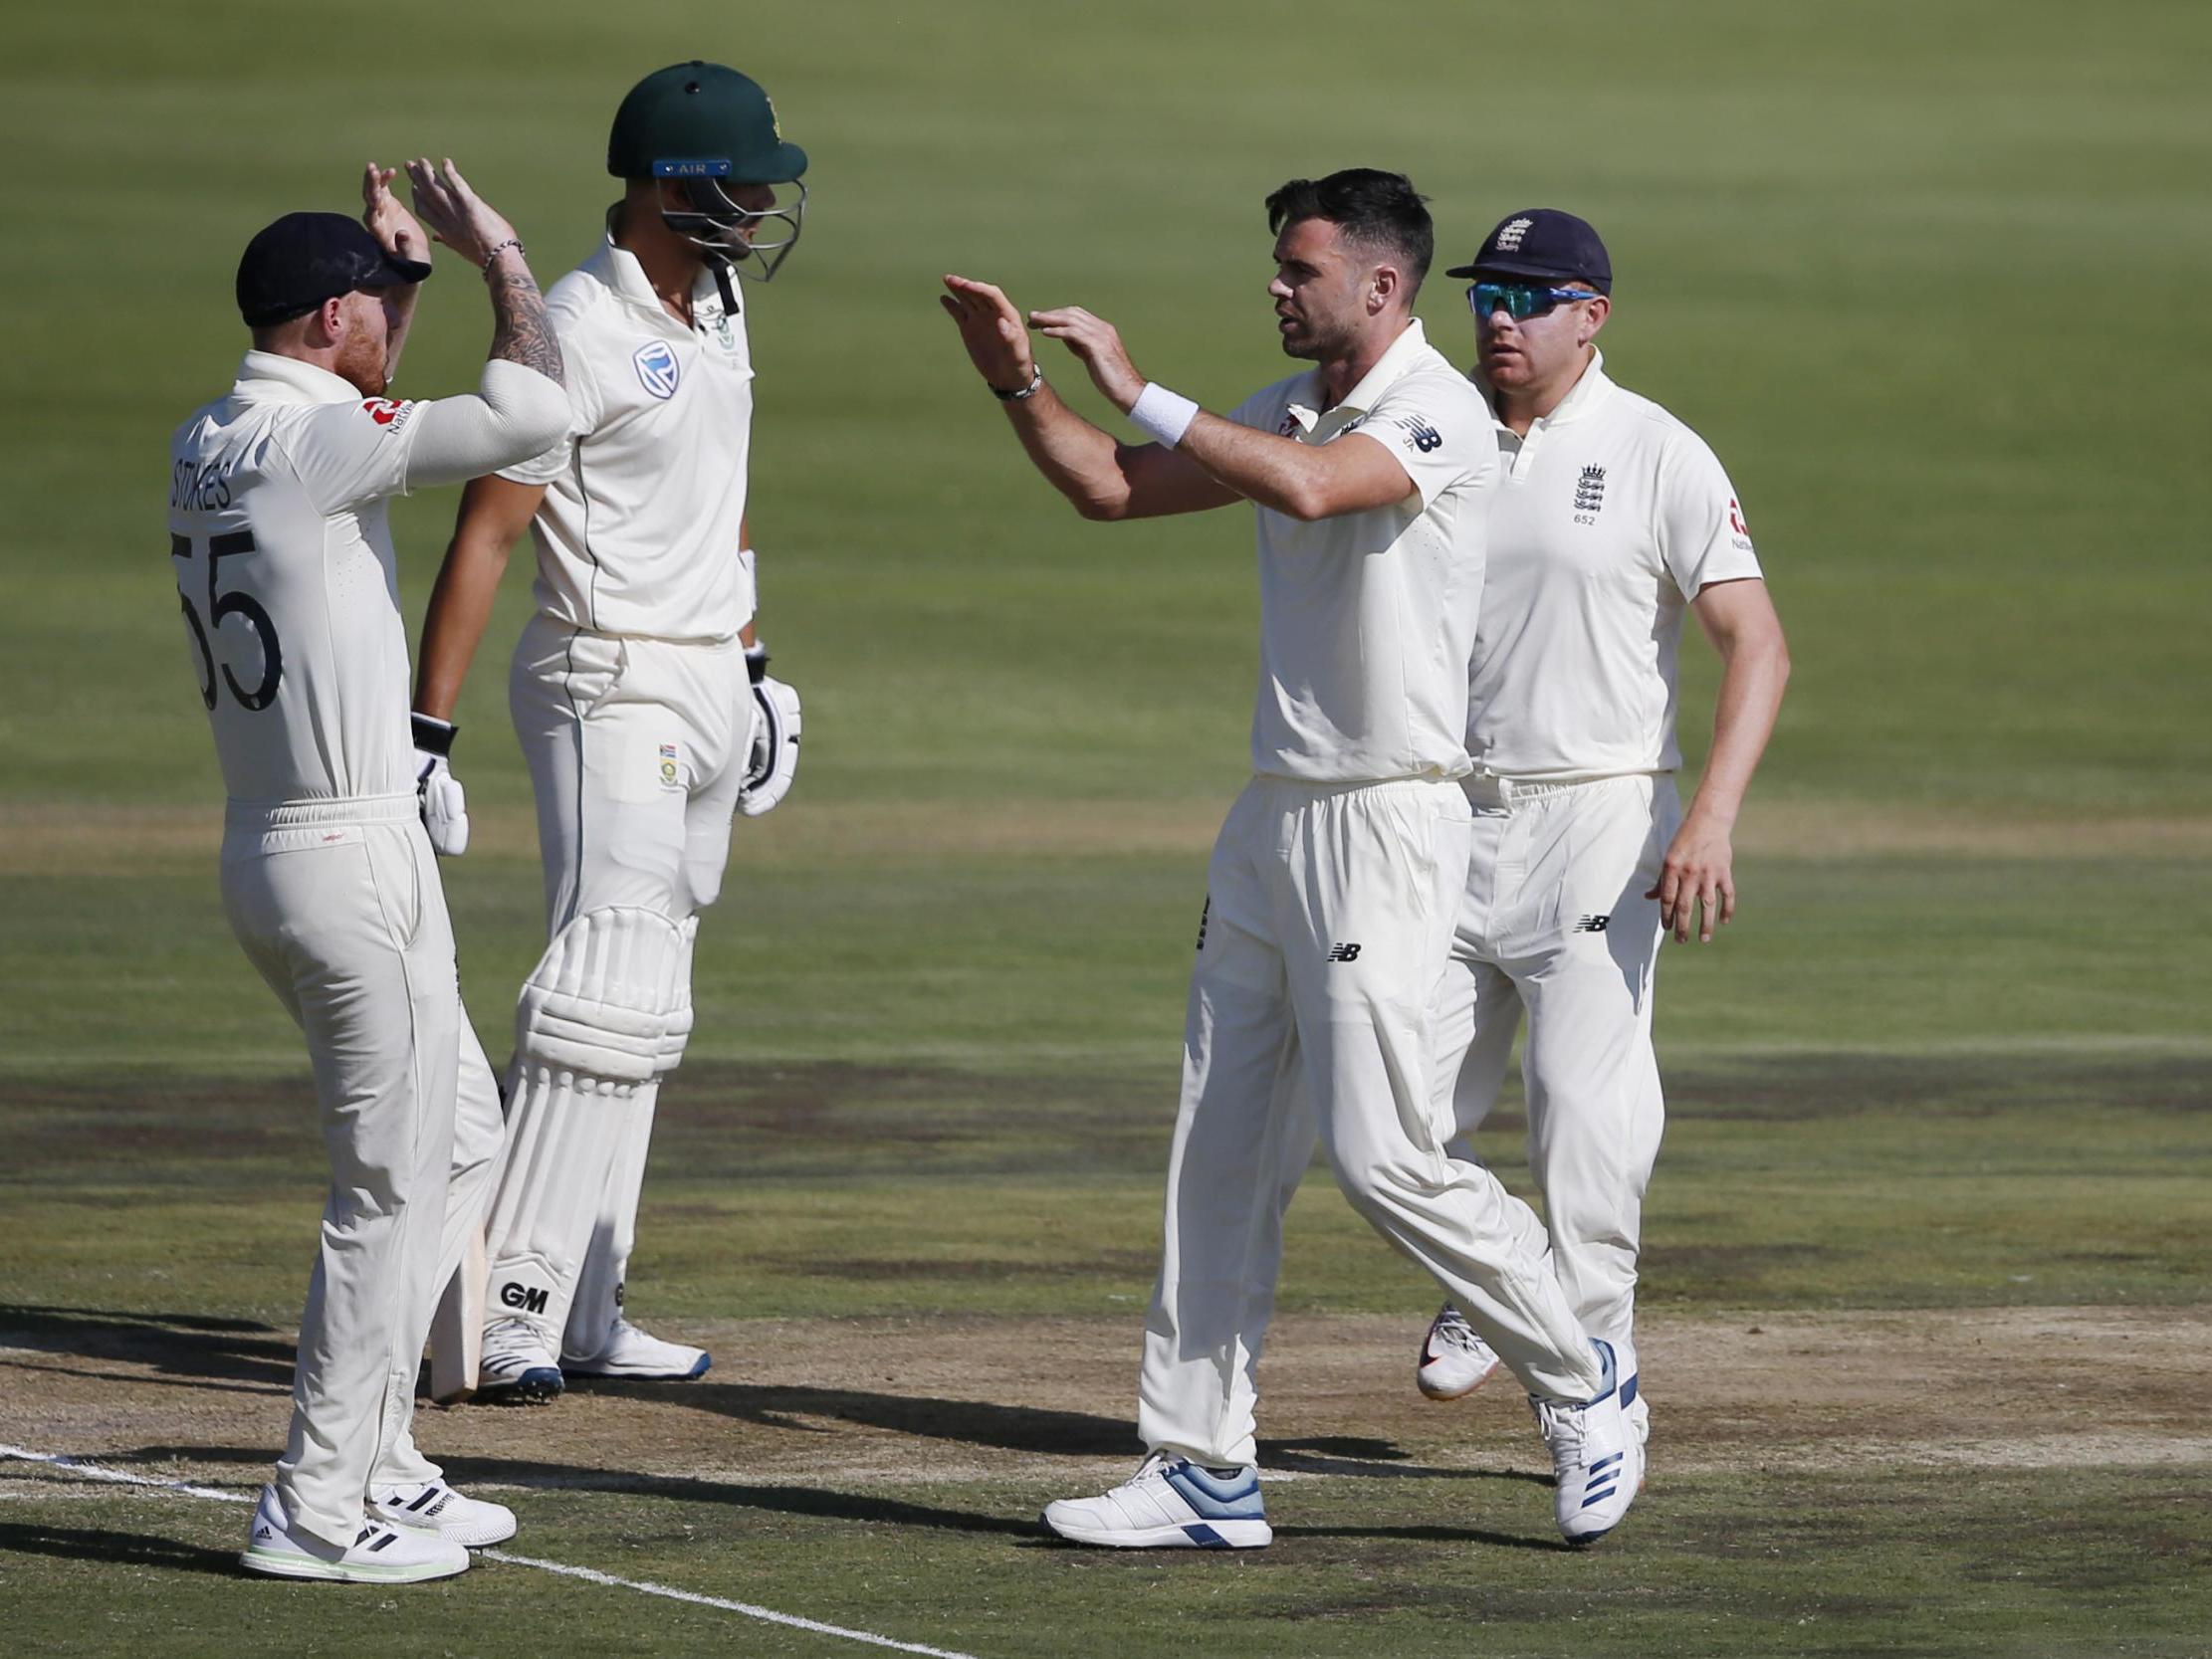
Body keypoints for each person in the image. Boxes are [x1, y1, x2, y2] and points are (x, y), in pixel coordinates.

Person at [940, 169, 1642, 1550]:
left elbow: (1320, 494)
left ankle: (1582, 1375)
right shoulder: (1286, 404)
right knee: (1219, 1147)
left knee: (1384, 1156)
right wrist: (1018, 386)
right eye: (1275, 266)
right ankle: (1202, 1464)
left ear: (1379, 286)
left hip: (1386, 818)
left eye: (1298, 270)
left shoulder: (1436, 407)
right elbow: (1106, 488)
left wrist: (1141, 384)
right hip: (1271, 814)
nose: (1273, 287)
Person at [170, 160, 568, 1580]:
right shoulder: (317, 443)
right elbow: (537, 406)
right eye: (382, 307)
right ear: (332, 316)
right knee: (385, 1187)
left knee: (459, 1133)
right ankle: (314, 1504)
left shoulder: (209, 433)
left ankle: (387, 1460)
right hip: (346, 851)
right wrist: (493, 255)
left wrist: (401, 281)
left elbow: (377, 401)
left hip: (281, 843)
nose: (397, 329)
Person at [410, 61, 809, 1404]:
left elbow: (726, 490)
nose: (761, 204)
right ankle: (503, 1308)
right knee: (595, 995)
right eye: (739, 183)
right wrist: (427, 730)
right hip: (603, 674)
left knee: (652, 1005)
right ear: (661, 186)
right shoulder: (576, 324)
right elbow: (488, 528)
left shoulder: (721, 301)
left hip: (701, 674)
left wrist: (756, 669)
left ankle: (586, 1299)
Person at [1408, 210, 1791, 1450]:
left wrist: (1712, 820)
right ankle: (1508, 1274)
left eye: (1529, 296)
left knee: (1583, 1106)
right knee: (1391, 1117)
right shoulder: (1433, 428)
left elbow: (1755, 642)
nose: (1499, 318)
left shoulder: (1654, 450)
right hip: (1438, 814)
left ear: (1593, 314)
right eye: (1484, 295)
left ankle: (1596, 1372)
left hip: (1601, 812)